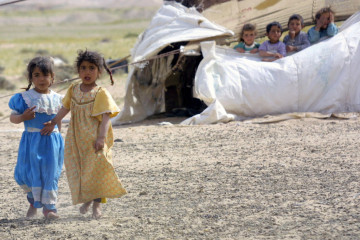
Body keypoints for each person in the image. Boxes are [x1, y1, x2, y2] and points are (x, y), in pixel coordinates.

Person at [41, 50, 127, 219]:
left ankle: (96, 206)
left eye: (92, 68)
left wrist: (101, 138)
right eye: (83, 68)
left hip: (95, 139)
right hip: (77, 139)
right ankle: (87, 200)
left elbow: (105, 118)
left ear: (99, 71)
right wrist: (53, 122)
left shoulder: (100, 92)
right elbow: (65, 108)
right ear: (78, 71)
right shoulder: (73, 89)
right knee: (84, 171)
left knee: (99, 170)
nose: (87, 72)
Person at [9, 56, 64, 220]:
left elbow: (59, 120)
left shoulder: (58, 99)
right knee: (30, 172)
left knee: (50, 173)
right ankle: (33, 202)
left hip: (52, 143)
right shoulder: (25, 98)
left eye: (45, 75)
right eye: (37, 75)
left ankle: (49, 209)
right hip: (32, 142)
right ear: (31, 78)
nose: (41, 79)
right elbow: (13, 118)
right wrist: (23, 117)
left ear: (52, 77)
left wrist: (57, 134)